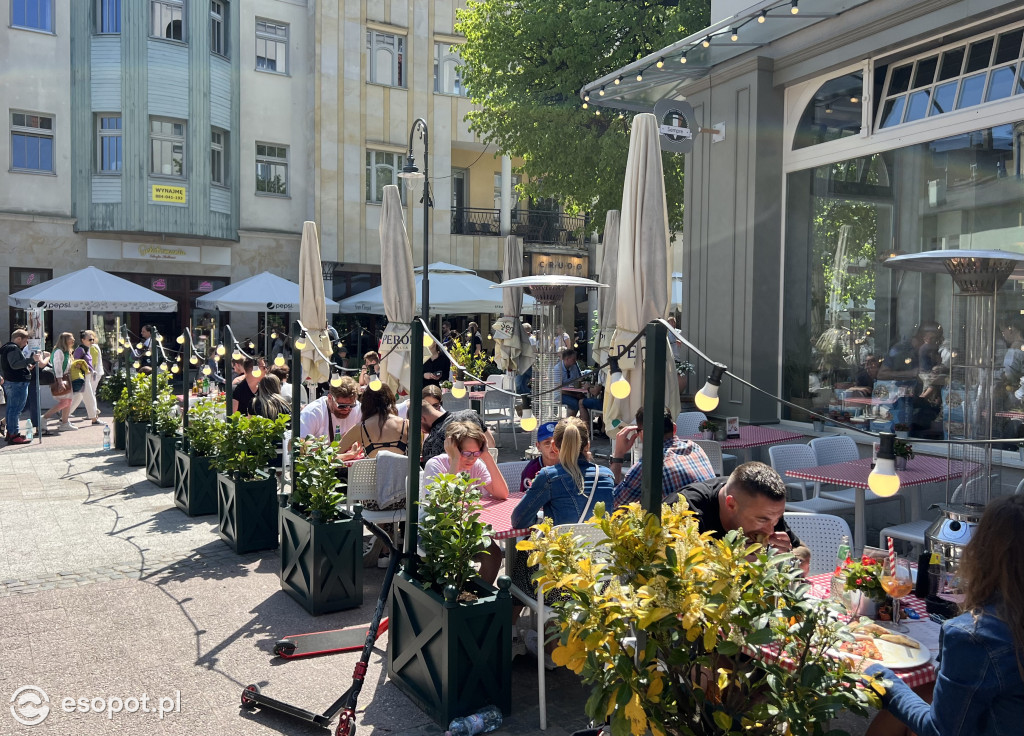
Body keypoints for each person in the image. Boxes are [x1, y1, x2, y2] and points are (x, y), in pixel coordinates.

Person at [865, 493, 1024, 736]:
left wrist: (878, 676)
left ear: (980, 550)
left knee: (906, 702)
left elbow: (941, 731)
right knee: (924, 691)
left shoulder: (975, 636)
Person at [420, 420, 509, 583]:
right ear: (452, 448)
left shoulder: (477, 463)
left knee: (494, 554)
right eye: (466, 453)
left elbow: (502, 493)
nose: (471, 459)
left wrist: (486, 456)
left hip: (464, 530)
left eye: (476, 453)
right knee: (457, 561)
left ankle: (475, 597)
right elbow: (442, 505)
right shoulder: (435, 465)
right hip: (436, 532)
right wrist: (455, 461)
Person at [664, 462, 802, 554]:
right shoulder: (685, 510)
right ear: (731, 504)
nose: (770, 530)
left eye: (776, 520)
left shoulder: (766, 509)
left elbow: (800, 549)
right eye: (762, 520)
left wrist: (795, 557)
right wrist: (735, 561)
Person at [512, 417, 615, 530]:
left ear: (554, 447)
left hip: (562, 546)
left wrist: (541, 521)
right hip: (600, 547)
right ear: (588, 446)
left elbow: (518, 521)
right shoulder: (607, 475)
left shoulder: (548, 477)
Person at [610, 407, 717, 508]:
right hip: (710, 522)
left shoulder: (649, 464)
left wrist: (618, 456)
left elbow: (611, 502)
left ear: (642, 434)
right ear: (674, 428)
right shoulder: (695, 448)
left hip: (680, 525)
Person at [338, 383, 409, 459]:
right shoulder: (406, 424)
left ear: (365, 403)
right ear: (391, 400)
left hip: (373, 471)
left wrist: (351, 455)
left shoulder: (360, 428)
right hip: (402, 470)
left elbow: (330, 456)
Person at [419, 394, 494, 463]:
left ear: (421, 419)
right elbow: (491, 444)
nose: (421, 431)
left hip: (457, 476)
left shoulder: (431, 443)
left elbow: (432, 472)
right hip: (485, 470)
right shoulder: (470, 415)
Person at [1, 329, 41, 444]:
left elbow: (10, 365)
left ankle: (11, 433)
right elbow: (15, 365)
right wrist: (31, 359)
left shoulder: (5, 347)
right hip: (17, 382)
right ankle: (14, 435)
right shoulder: (13, 348)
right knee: (15, 410)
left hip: (11, 381)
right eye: (25, 341)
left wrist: (27, 364)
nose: (26, 344)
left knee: (11, 409)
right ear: (18, 338)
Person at [299, 376, 362, 442]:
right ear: (329, 398)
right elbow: (300, 443)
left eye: (351, 405)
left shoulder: (358, 408)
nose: (347, 409)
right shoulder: (312, 413)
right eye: (341, 406)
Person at [41, 332, 77, 432]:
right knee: (65, 401)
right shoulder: (59, 352)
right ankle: (44, 417)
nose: (73, 340)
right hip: (60, 379)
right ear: (65, 340)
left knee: (68, 401)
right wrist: (60, 381)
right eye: (71, 338)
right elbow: (57, 367)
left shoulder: (66, 352)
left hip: (65, 378)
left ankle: (64, 422)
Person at [68, 330, 101, 425]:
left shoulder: (86, 349)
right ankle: (94, 418)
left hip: (87, 375)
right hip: (83, 376)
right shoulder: (80, 349)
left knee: (78, 397)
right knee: (90, 397)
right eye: (90, 339)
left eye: (93, 339)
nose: (92, 341)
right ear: (83, 340)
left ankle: (64, 415)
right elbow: (75, 362)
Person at [519, 421, 560, 492]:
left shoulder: (571, 464)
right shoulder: (531, 470)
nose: (552, 446)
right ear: (538, 446)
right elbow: (525, 498)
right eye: (547, 443)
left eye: (557, 442)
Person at [555, 348, 583, 416]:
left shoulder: (574, 367)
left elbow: (578, 381)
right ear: (567, 359)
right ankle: (569, 423)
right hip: (559, 395)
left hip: (572, 392)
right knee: (575, 403)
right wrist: (575, 395)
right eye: (573, 359)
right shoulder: (557, 369)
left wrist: (579, 392)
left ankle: (584, 421)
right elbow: (559, 389)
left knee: (585, 401)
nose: (575, 361)